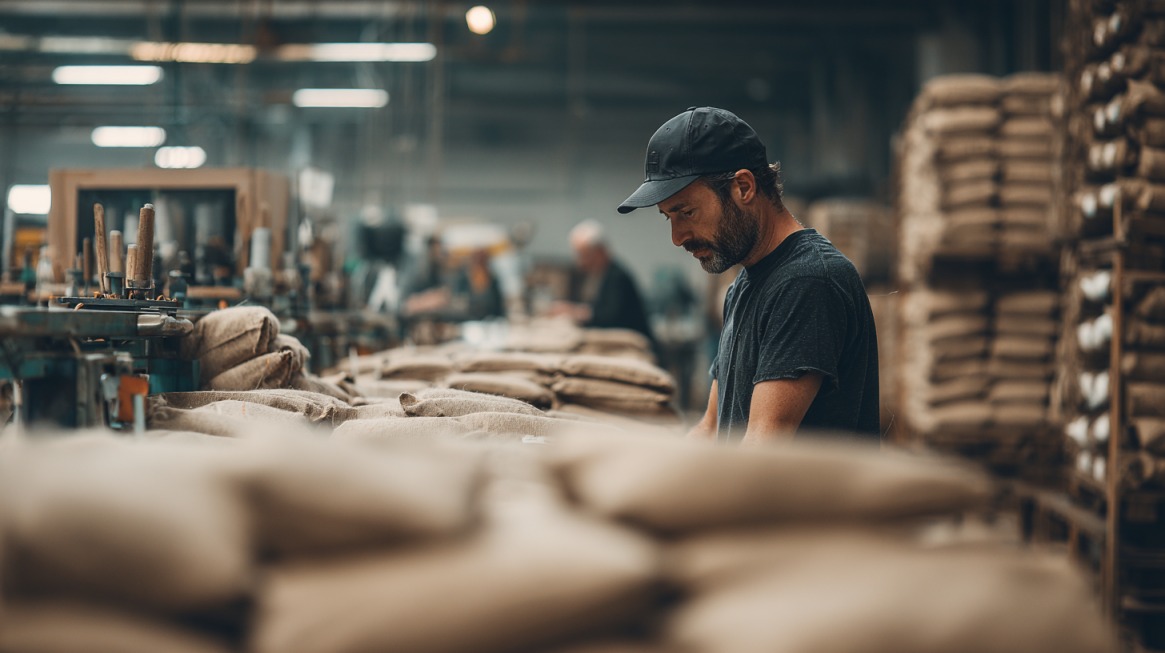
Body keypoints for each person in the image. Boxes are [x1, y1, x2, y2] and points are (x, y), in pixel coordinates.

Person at [617, 106, 879, 443]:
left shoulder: (808, 281)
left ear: (743, 187)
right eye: (669, 217)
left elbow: (762, 446)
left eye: (687, 212)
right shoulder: (745, 284)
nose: (677, 237)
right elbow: (711, 426)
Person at [555, 220, 656, 348]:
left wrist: (575, 312)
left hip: (638, 345)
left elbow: (609, 317)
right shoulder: (602, 273)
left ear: (600, 252)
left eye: (584, 255)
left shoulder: (617, 277)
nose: (580, 262)